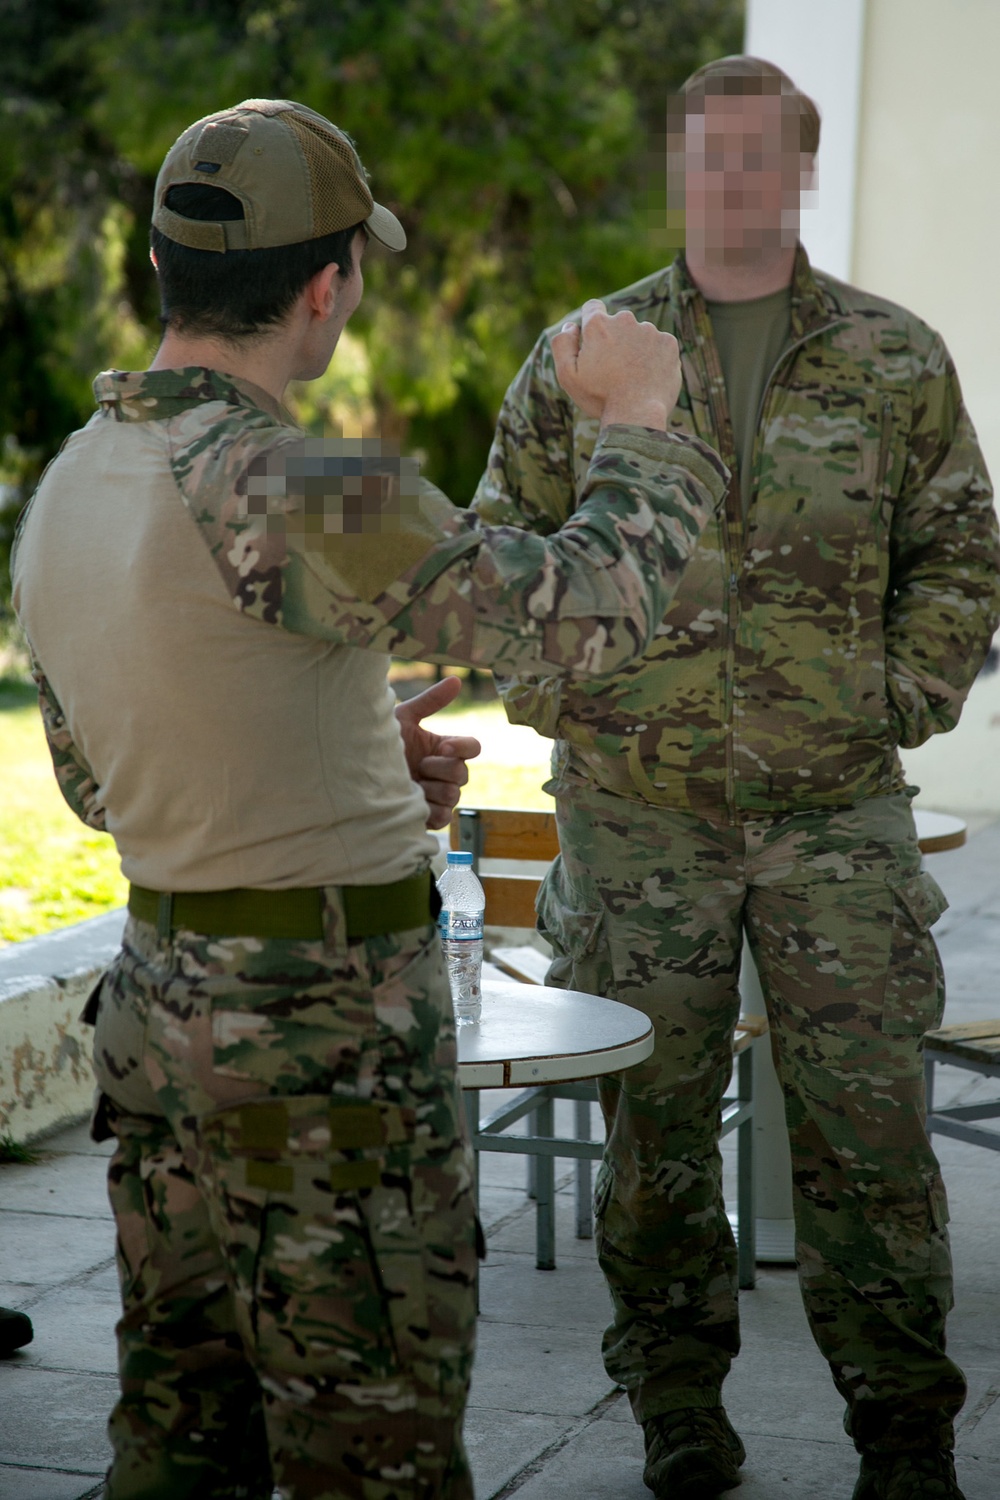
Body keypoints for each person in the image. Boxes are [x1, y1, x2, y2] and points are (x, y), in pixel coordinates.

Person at [10, 98, 728, 1500]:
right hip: (318, 1040)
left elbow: (107, 787)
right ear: (328, 286)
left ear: (165, 270)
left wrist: (339, 758)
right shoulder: (300, 479)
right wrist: (644, 422)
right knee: (375, 1454)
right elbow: (578, 615)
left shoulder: (68, 487)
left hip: (159, 1018)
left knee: (178, 1442)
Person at [472, 55, 1000, 1500]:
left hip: (836, 814)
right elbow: (498, 552)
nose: (732, 184)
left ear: (801, 173)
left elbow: (961, 549)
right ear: (678, 170)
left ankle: (906, 1442)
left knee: (874, 1140)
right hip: (639, 819)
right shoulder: (585, 354)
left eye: (761, 158)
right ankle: (677, 1416)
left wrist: (902, 693)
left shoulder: (895, 358)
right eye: (708, 157)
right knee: (654, 1139)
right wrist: (564, 696)